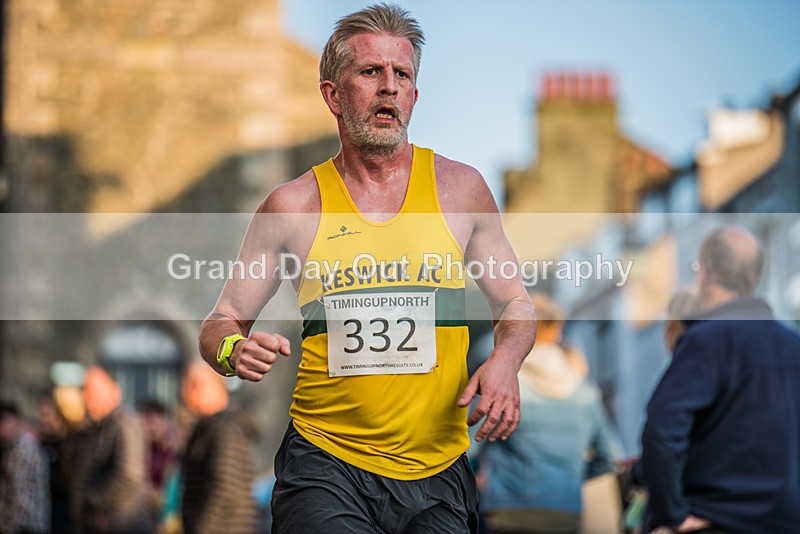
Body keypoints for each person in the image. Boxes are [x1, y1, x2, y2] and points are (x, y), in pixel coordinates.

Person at [199, 4, 535, 532]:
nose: (389, 87)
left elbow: (515, 303)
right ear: (333, 94)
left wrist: (507, 362)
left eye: (402, 75)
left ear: (415, 96)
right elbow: (221, 321)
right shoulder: (292, 207)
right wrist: (232, 350)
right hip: (324, 466)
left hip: (438, 469)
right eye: (370, 72)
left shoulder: (460, 190)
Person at [640, 227, 800, 533]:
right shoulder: (794, 347)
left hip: (716, 520)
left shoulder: (705, 341)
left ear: (705, 271)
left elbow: (662, 431)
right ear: (756, 277)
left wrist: (672, 514)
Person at [471, 293, 620, 534]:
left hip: (508, 512)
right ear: (557, 333)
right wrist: (570, 480)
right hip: (566, 513)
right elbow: (609, 458)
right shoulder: (585, 393)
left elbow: (468, 450)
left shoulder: (502, 386)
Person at [180, 361, 259, 534]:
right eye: (186, 384)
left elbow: (225, 488)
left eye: (195, 385)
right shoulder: (205, 427)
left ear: (216, 387)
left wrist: (202, 529)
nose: (187, 392)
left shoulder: (226, 427)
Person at [75, 367, 153, 534]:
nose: (88, 400)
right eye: (85, 392)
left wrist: (97, 502)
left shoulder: (124, 424)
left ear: (114, 391)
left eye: (94, 393)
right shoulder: (98, 426)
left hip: (121, 522)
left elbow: (129, 476)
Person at [0, 401, 50, 534]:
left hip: (26, 526)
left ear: (15, 420)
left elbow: (20, 499)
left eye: (4, 421)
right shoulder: (8, 448)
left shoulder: (24, 450)